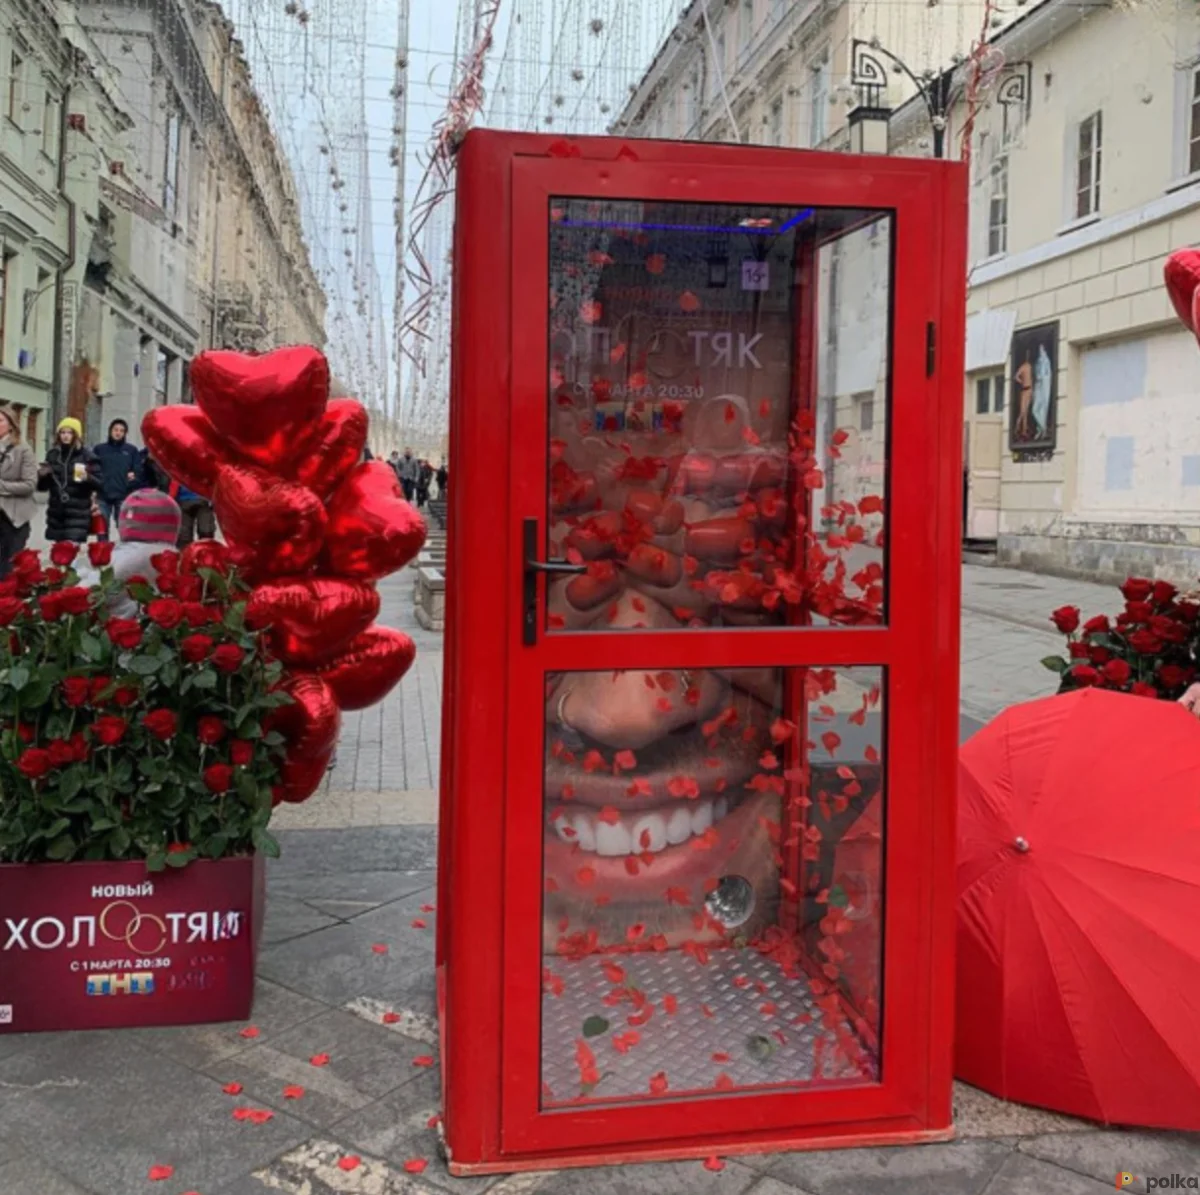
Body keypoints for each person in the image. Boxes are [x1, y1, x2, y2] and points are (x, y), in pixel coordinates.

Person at [75, 489, 182, 619]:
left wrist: (81, 574)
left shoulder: (132, 556)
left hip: (119, 625)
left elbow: (93, 592)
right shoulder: (173, 555)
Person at [38, 417, 100, 543]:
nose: (66, 436)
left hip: (78, 513)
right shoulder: (53, 454)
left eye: (70, 432)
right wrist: (42, 476)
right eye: (63, 432)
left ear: (76, 435)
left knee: (70, 551)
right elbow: (42, 488)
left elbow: (100, 483)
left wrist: (87, 477)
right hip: (57, 513)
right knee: (59, 555)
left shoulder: (86, 455)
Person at [0, 406, 37, 579]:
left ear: (11, 425)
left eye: (0, 421)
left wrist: (2, 487)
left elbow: (29, 485)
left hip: (15, 519)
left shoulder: (23, 450)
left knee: (9, 569)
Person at [93, 418, 142, 540]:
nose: (118, 433)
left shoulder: (131, 450)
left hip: (123, 495)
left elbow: (138, 471)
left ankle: (124, 554)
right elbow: (92, 469)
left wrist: (131, 480)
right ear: (110, 431)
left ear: (125, 433)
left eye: (122, 430)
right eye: (115, 430)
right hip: (102, 495)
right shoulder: (100, 449)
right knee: (102, 529)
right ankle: (102, 554)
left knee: (124, 528)